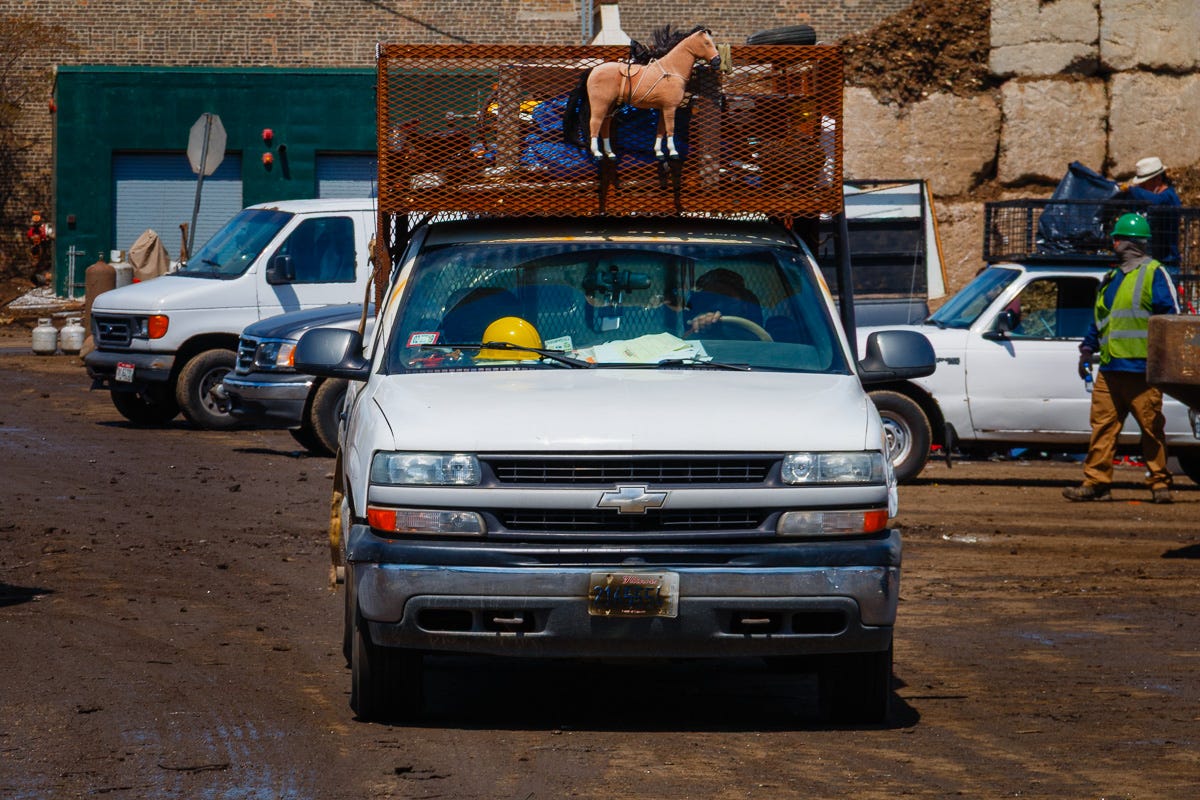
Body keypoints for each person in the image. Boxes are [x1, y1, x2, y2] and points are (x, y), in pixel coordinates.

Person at [1063, 212, 1179, 504]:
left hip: (1143, 370)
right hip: (1111, 368)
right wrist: (1088, 350)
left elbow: (1171, 320)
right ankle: (1097, 482)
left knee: (1152, 429)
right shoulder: (1111, 278)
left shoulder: (1155, 273)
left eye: (1116, 238)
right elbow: (1101, 319)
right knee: (1102, 427)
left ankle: (1159, 484)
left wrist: (1165, 363)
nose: (1112, 243)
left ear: (1129, 243)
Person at [1116, 156, 1181, 267]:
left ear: (1158, 179)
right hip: (1144, 262)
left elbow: (1157, 202)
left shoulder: (1169, 197)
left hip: (1166, 262)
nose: (1141, 186)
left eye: (1144, 183)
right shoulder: (1143, 199)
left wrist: (1132, 190)